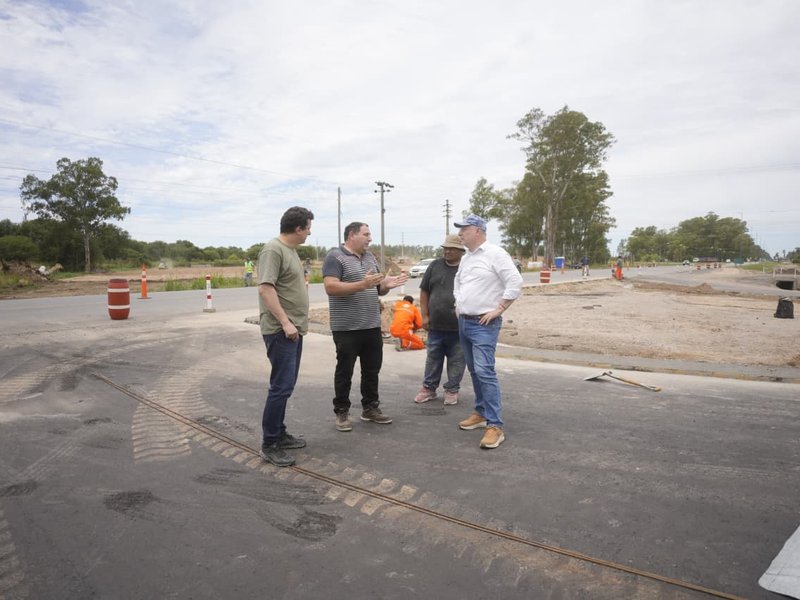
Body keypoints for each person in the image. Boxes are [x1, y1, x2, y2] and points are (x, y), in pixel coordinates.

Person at [323, 222, 408, 432]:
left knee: (372, 370)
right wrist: (363, 284)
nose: (370, 238)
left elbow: (377, 289)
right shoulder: (335, 257)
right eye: (366, 234)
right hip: (346, 328)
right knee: (345, 371)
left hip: (371, 325)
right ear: (352, 235)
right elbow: (331, 287)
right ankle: (342, 411)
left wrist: (386, 285)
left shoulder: (370, 257)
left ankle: (370, 408)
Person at [453, 214, 523, 449]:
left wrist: (500, 308)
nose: (460, 233)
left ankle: (495, 425)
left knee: (485, 371)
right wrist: (458, 305)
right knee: (473, 370)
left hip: (484, 324)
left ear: (478, 231)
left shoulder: (496, 254)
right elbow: (459, 284)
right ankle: (481, 413)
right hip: (464, 322)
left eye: (464, 229)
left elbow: (515, 282)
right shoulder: (467, 258)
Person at [256, 206, 315, 467]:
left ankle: (279, 433)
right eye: (308, 228)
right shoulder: (273, 249)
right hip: (281, 330)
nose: (309, 233)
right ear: (299, 228)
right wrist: (285, 322)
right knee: (280, 387)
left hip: (293, 330)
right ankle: (269, 444)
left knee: (286, 385)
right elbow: (266, 289)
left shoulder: (290, 251)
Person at [414, 233, 466, 406]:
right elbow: (424, 292)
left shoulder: (467, 267)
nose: (447, 251)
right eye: (445, 248)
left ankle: (452, 390)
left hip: (460, 326)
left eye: (451, 249)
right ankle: (429, 389)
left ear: (461, 250)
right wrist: (425, 315)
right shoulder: (435, 266)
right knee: (433, 358)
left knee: (457, 360)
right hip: (435, 325)